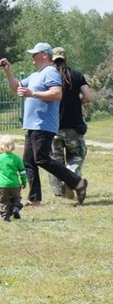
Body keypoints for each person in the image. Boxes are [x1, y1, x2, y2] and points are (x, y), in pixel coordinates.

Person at [0, 42, 88, 206]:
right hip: (32, 125)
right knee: (29, 162)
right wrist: (8, 71)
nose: (32, 56)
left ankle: (77, 182)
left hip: (43, 124)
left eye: (35, 53)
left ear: (45, 55)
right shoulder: (35, 75)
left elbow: (57, 93)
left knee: (42, 159)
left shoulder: (51, 72)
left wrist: (32, 93)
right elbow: (16, 87)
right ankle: (34, 199)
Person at [49, 47, 92, 199]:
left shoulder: (48, 76)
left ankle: (59, 192)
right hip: (74, 125)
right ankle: (72, 174)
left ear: (51, 60)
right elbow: (88, 97)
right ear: (66, 58)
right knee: (75, 155)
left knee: (55, 160)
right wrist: (76, 102)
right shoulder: (77, 75)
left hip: (53, 126)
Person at [0, 135, 27, 222]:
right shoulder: (17, 158)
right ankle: (15, 207)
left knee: (4, 201)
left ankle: (5, 217)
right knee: (16, 198)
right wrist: (24, 182)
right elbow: (22, 172)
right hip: (15, 184)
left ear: (1, 146)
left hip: (3, 185)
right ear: (13, 146)